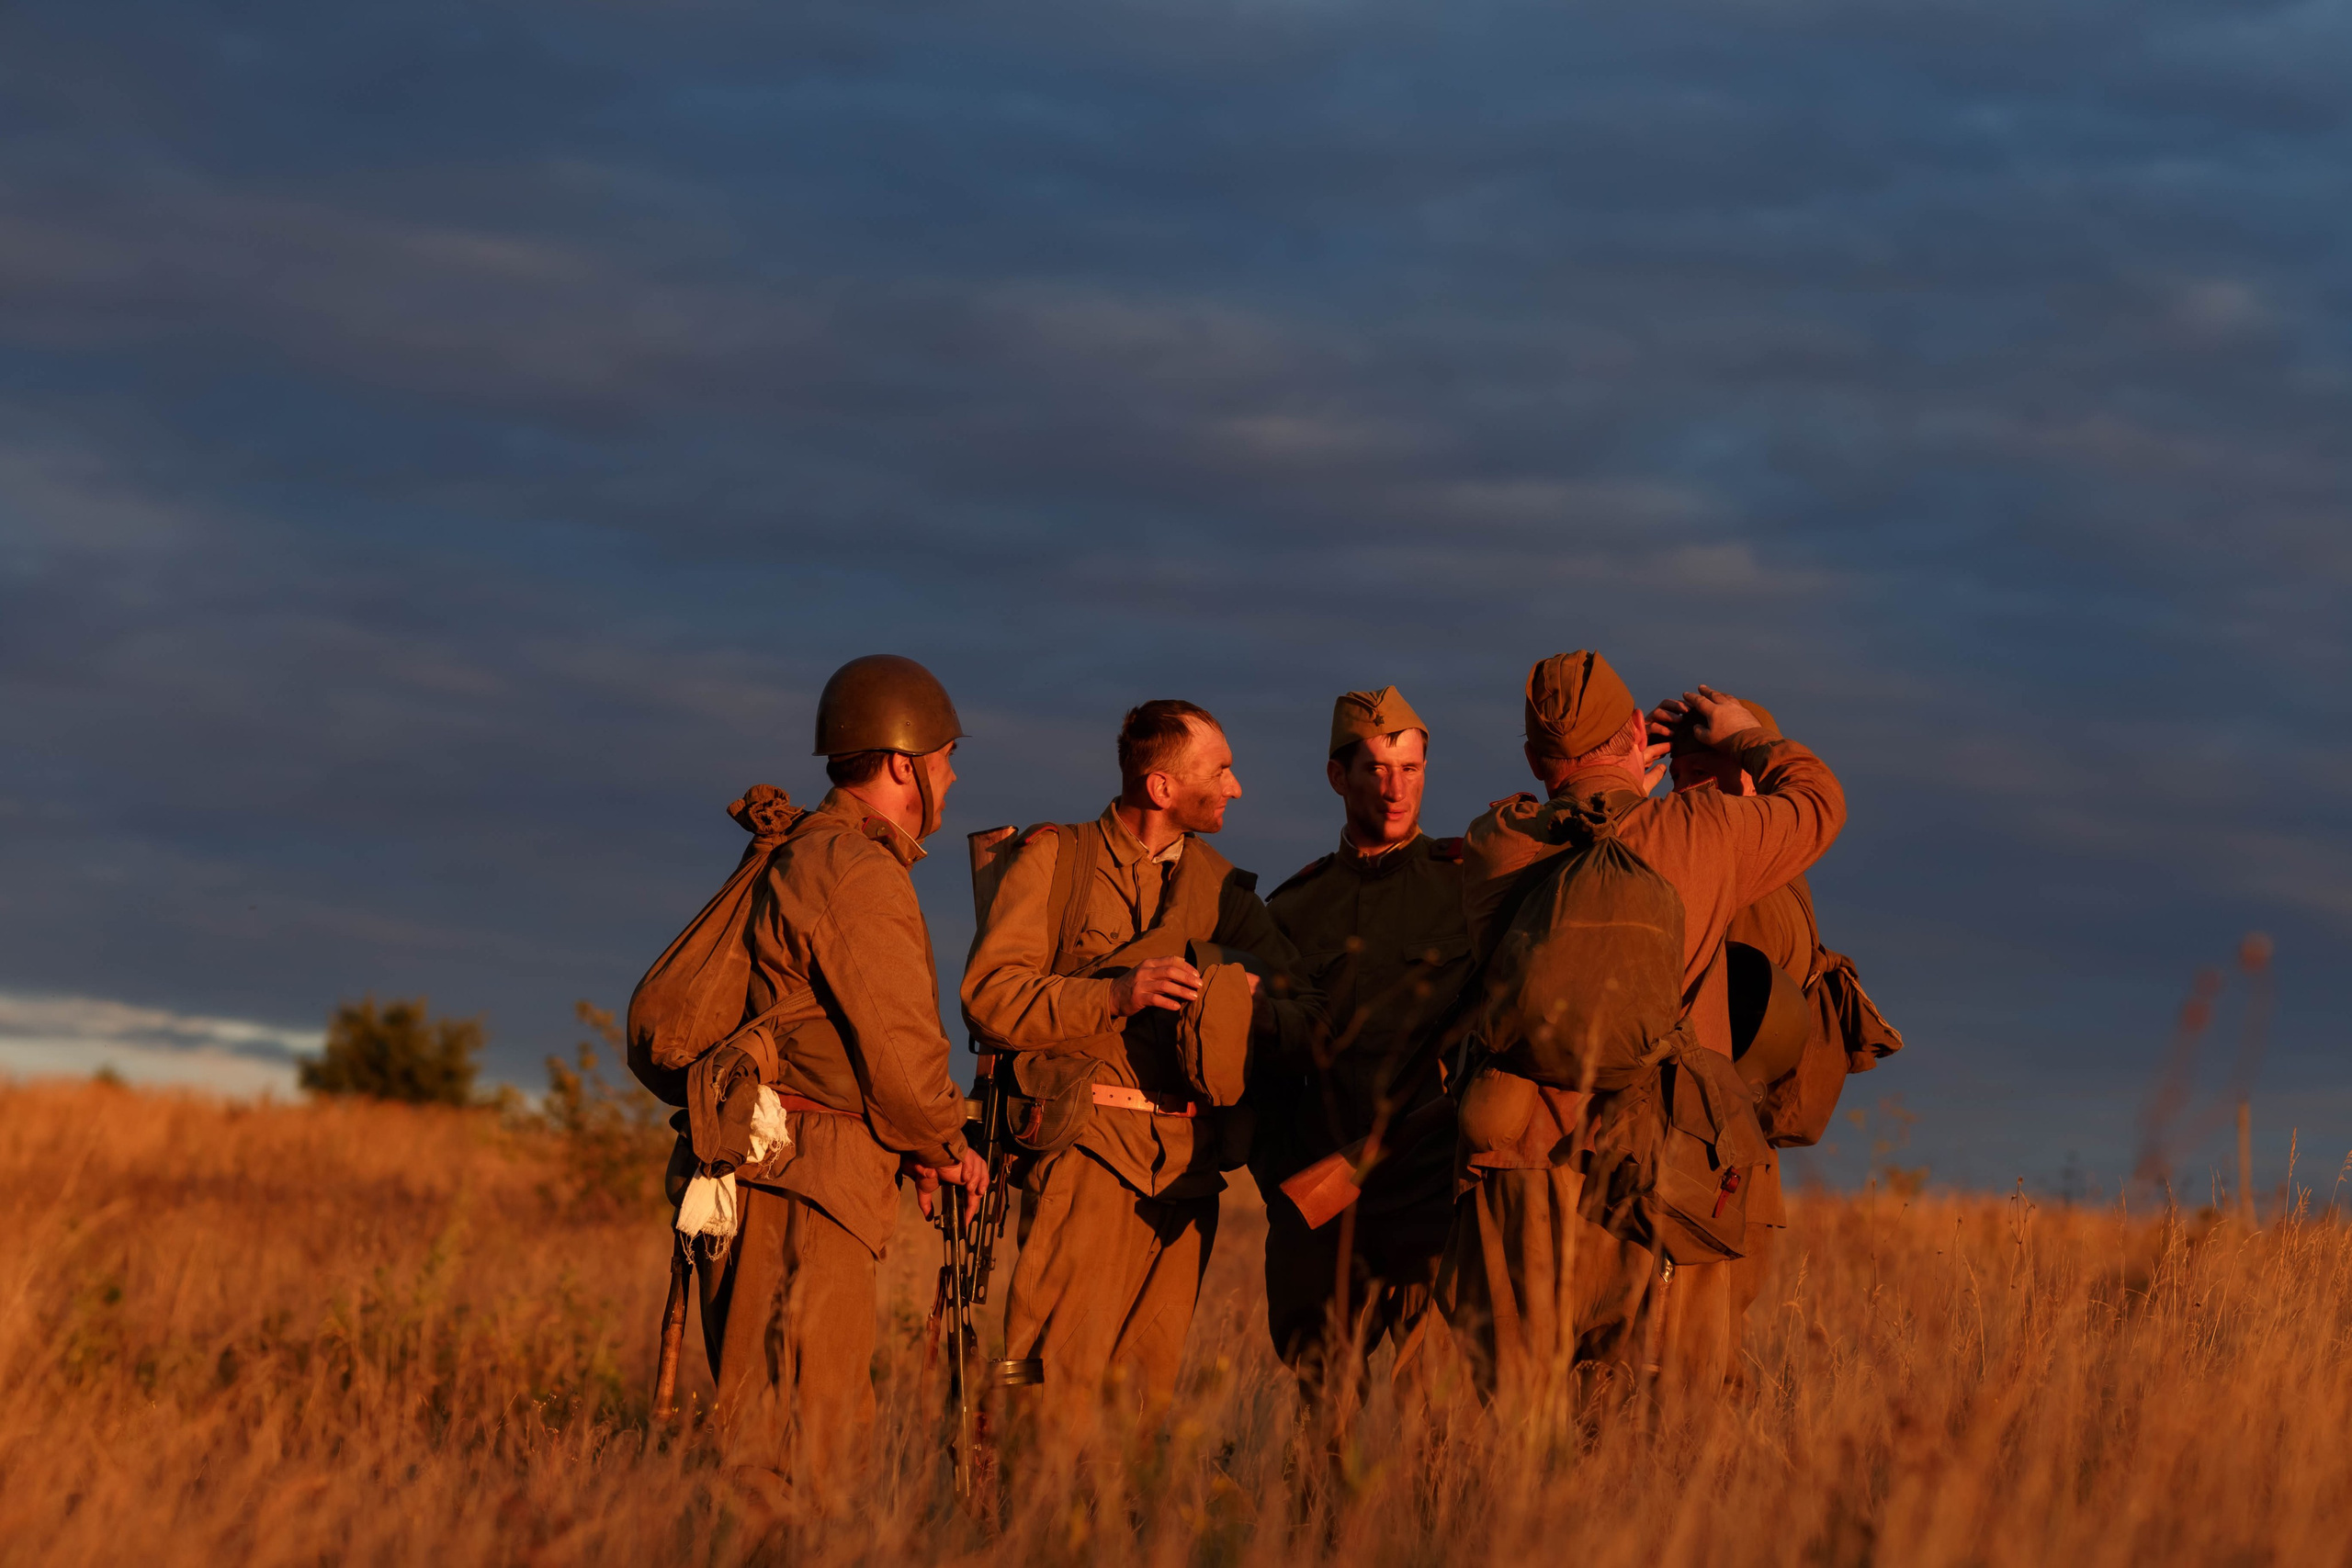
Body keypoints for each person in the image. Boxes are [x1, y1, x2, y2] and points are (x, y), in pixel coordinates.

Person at [1437, 652, 1844, 1401]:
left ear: (1533, 758)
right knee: (1653, 1430)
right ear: (1636, 731)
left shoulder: (1497, 839)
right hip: (1651, 1180)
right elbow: (1819, 803)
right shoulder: (1705, 829)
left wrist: (1623, 787)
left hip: (1521, 1163)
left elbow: (1586, 829)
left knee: (1516, 1433)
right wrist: (1748, 738)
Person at [961, 699, 1318, 1430]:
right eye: (1219, 770)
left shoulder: (1226, 893)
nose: (1236, 786)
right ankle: (1017, 1522)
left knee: (1142, 1407)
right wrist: (1115, 994)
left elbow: (1311, 1015)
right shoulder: (1056, 859)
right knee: (1042, 1378)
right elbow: (990, 997)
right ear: (1161, 788)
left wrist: (1242, 997)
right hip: (1085, 1156)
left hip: (1189, 1171)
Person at [696, 653, 987, 1504]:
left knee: (770, 1434)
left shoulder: (806, 850)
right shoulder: (860, 872)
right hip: (810, 1187)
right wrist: (946, 1143)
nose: (951, 774)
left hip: (776, 1170)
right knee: (804, 1451)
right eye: (944, 758)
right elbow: (900, 1058)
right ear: (904, 764)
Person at [1255, 686, 1470, 1414]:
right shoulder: (1291, 909)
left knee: (1434, 1421)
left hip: (1428, 1197)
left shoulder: (1465, 888)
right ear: (1336, 777)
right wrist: (1285, 1181)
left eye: (1411, 768)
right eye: (1377, 768)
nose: (1395, 787)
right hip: (1322, 1201)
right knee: (1324, 1417)